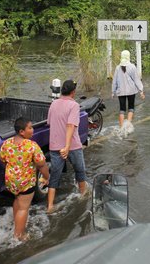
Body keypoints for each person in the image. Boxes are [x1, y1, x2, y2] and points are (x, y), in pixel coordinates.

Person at [0, 117, 50, 241]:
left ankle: (16, 223)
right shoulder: (31, 146)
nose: (32, 130)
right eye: (30, 128)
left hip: (11, 181)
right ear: (22, 131)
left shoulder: (7, 143)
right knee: (24, 207)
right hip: (25, 182)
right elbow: (41, 164)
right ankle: (19, 236)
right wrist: (46, 177)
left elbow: (2, 159)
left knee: (18, 200)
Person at [46, 79, 88, 213]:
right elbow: (70, 125)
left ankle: (50, 206)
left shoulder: (53, 104)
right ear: (73, 92)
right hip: (72, 146)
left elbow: (49, 123)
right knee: (80, 171)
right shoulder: (74, 105)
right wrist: (67, 146)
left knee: (55, 175)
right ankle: (83, 195)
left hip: (54, 145)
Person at [112, 50, 145, 128]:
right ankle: (127, 126)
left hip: (120, 91)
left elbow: (114, 81)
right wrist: (141, 91)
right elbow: (137, 79)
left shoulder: (117, 68)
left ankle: (121, 128)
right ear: (128, 57)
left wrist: (113, 92)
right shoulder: (132, 67)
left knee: (122, 109)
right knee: (131, 107)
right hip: (131, 91)